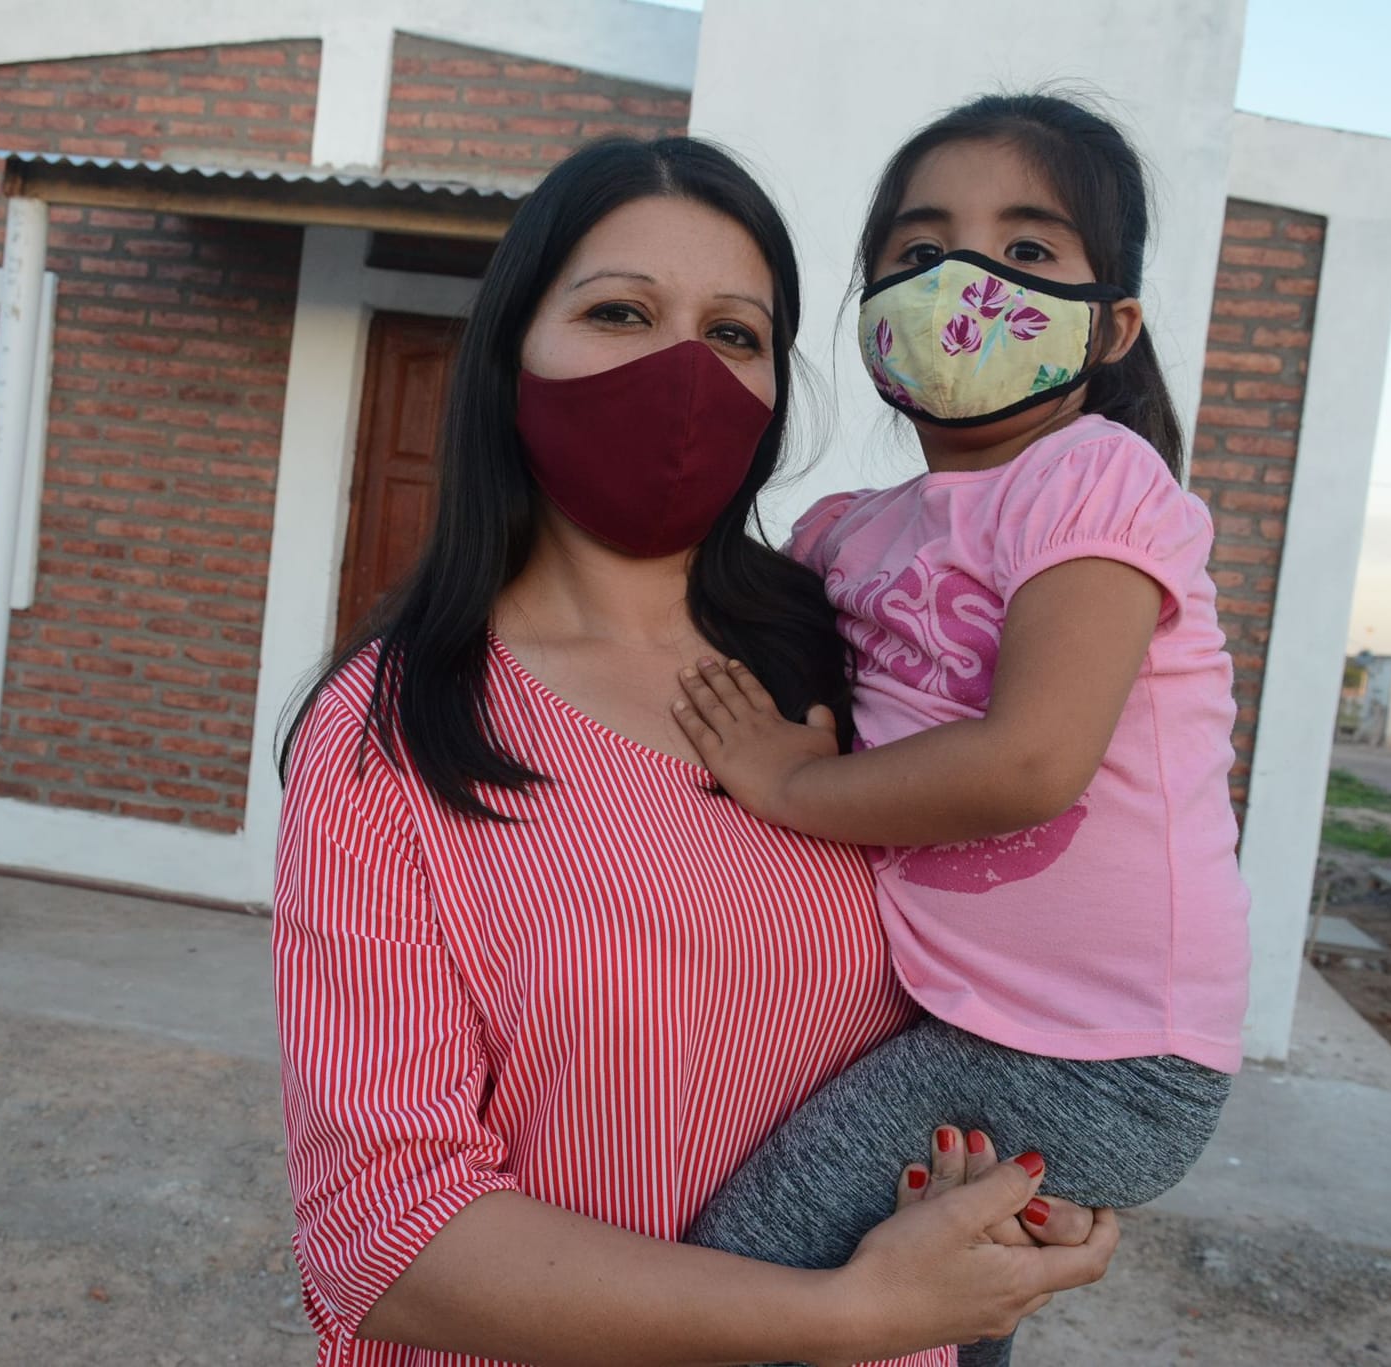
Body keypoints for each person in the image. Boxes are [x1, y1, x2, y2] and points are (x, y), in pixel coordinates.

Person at [273, 134, 1118, 1367]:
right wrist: (843, 1315)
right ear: (510, 348)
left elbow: (1015, 961)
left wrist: (1026, 1179)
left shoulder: (858, 656)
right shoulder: (393, 735)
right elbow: (383, 1235)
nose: (681, 372)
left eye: (733, 333)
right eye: (619, 311)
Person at [674, 95, 1251, 1366]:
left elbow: (1029, 761)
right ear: (870, 304)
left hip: (1098, 1050)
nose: (962, 283)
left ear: (1110, 326)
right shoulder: (844, 532)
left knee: (741, 1269)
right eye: (918, 249)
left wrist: (786, 783)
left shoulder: (1092, 477)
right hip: (971, 1021)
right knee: (935, 1304)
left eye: (1026, 249)